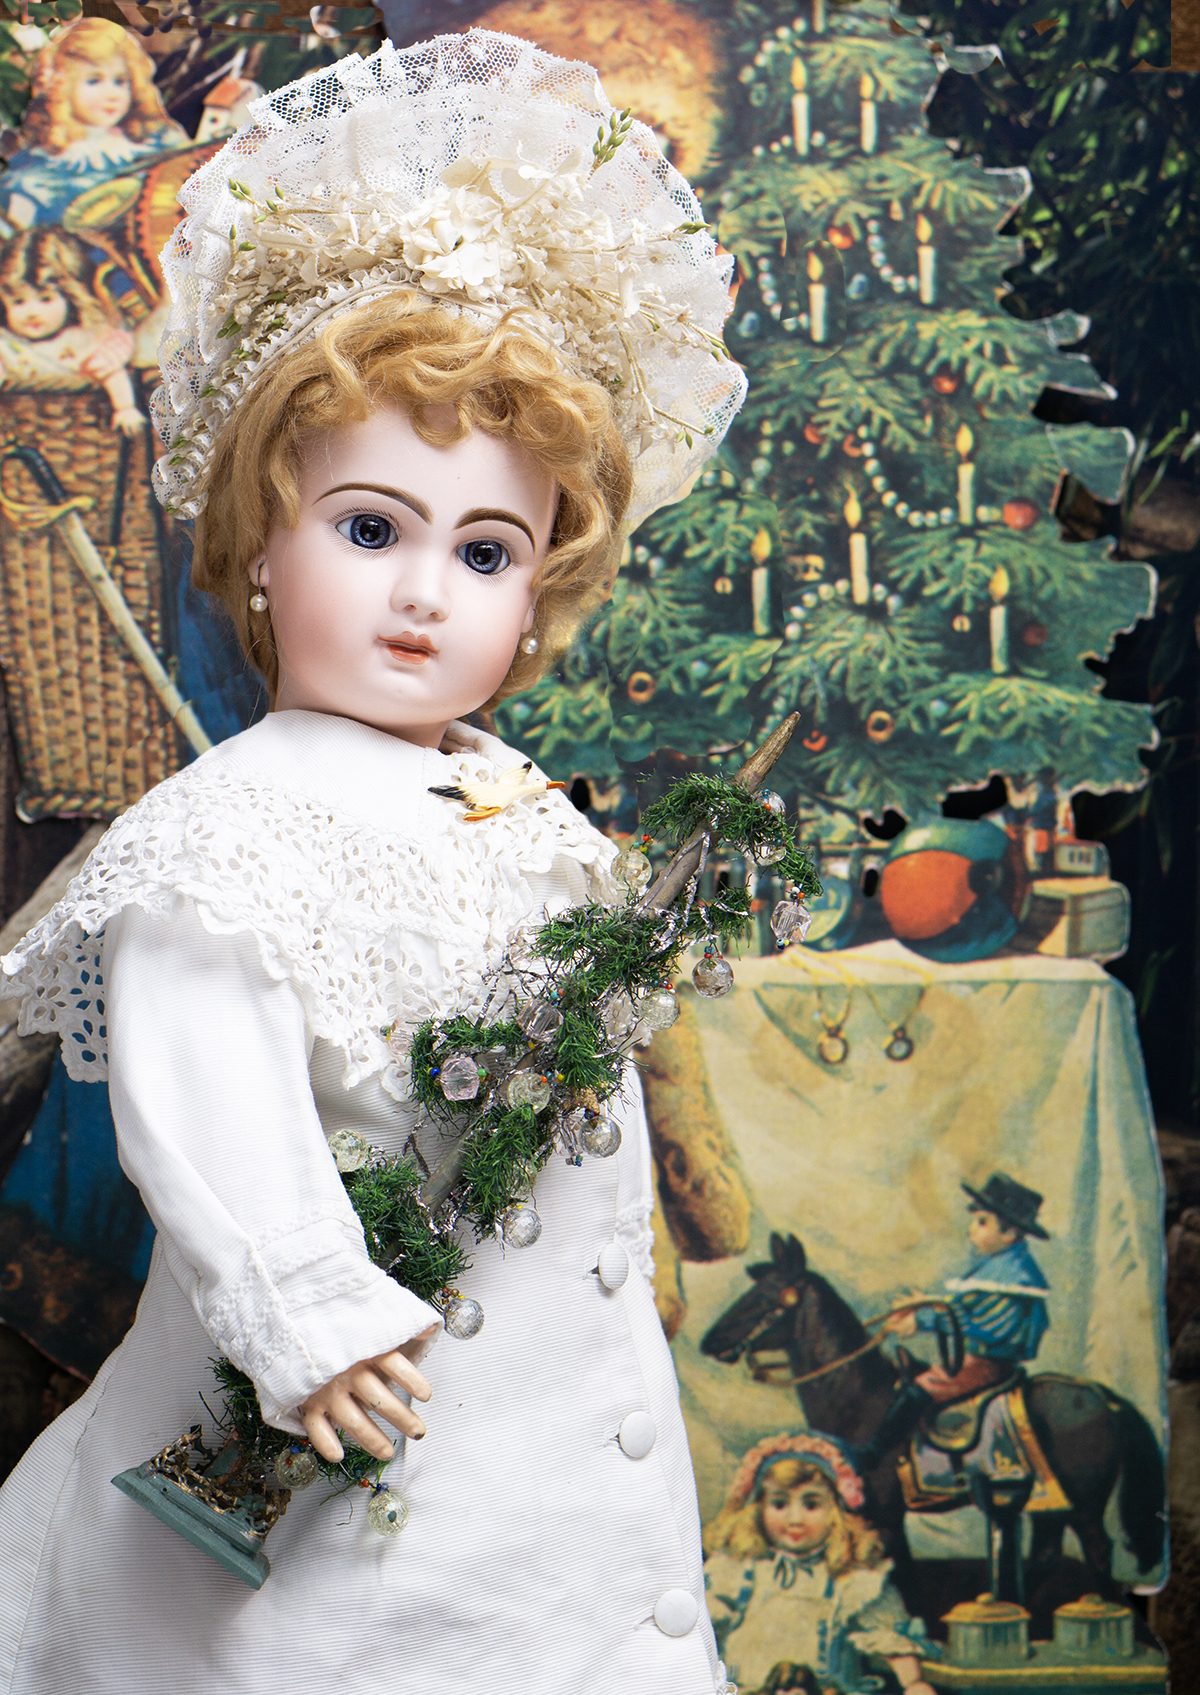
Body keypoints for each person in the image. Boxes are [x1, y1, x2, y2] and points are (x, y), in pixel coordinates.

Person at [0, 31, 744, 1695]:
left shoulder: (519, 805)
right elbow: (209, 1097)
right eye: (369, 527)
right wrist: (310, 1316)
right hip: (350, 1425)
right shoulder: (231, 825)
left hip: (541, 1429)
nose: (424, 591)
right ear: (261, 545)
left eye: (485, 550)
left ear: (540, 590)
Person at [703, 1432, 935, 1694]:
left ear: (837, 1512)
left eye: (811, 1505)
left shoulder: (850, 1581)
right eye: (779, 1504)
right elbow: (700, 1629)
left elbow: (889, 1638)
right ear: (757, 1509)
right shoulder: (737, 1571)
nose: (795, 1520)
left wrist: (914, 1683)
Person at [858, 1171, 1051, 1468]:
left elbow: (978, 1322)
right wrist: (923, 1306)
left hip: (987, 1365)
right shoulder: (1001, 1266)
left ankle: (872, 1454)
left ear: (1010, 1233)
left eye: (982, 1222)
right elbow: (963, 1308)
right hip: (978, 1360)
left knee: (919, 1390)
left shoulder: (1015, 1279)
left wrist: (922, 1320)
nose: (971, 1230)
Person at [0, 17, 187, 233]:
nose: (112, 94)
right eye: (94, 81)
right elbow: (16, 230)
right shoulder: (41, 166)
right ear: (62, 86)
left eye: (120, 81)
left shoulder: (157, 142)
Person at [0, 224, 144, 430]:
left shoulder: (82, 340)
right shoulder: (7, 345)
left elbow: (112, 373)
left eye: (45, 299)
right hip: (22, 426)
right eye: (18, 302)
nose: (31, 312)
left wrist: (124, 408)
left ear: (70, 298)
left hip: (77, 427)